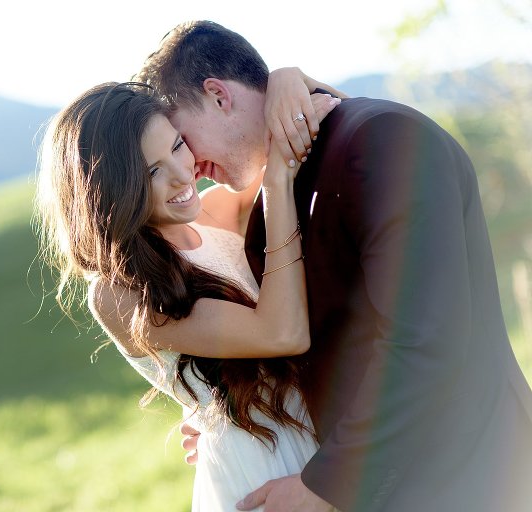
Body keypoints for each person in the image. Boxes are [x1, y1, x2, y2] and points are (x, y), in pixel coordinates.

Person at [135, 20, 532, 512]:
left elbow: (426, 338)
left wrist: (329, 484)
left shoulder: (383, 139)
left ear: (218, 96)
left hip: (469, 477)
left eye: (182, 139)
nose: (189, 165)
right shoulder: (266, 209)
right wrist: (235, 414)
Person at [35, 80, 340, 511]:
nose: (183, 175)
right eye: (152, 171)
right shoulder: (117, 292)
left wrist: (285, 78)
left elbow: (315, 133)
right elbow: (282, 334)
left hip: (319, 446)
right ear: (109, 192)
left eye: (178, 146)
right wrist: (275, 187)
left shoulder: (216, 213)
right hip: (260, 474)